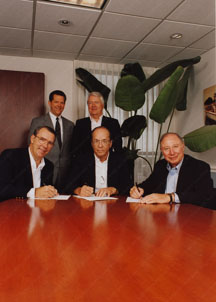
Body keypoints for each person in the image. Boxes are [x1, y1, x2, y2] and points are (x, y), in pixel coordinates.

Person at [130, 132, 213, 206]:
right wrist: (139, 190)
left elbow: (204, 195)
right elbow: (149, 184)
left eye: (175, 147)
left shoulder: (199, 167)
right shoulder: (160, 165)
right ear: (162, 151)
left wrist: (170, 197)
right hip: (161, 213)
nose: (172, 152)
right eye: (166, 148)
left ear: (183, 147)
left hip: (187, 216)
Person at [65, 126, 131, 197]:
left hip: (112, 204)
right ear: (92, 144)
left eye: (104, 141)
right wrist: (79, 190)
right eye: (96, 141)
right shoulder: (81, 160)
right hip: (88, 204)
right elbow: (67, 184)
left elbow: (128, 187)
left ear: (110, 143)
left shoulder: (120, 160)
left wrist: (113, 190)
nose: (100, 145)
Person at [28, 90, 74, 190]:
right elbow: (31, 146)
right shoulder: (38, 121)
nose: (59, 105)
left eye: (62, 103)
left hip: (65, 172)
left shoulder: (70, 125)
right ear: (50, 103)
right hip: (45, 170)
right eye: (56, 102)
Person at [0, 126, 58, 201]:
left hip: (39, 210)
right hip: (13, 210)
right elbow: (2, 189)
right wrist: (34, 192)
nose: (45, 146)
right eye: (42, 139)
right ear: (32, 139)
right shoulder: (11, 156)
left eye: (50, 143)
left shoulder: (49, 166)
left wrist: (51, 192)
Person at [71, 92, 122, 158]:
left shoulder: (113, 123)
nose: (93, 105)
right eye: (90, 103)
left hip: (107, 163)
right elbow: (75, 148)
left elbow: (118, 147)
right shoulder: (80, 123)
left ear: (102, 105)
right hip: (85, 164)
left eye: (96, 102)